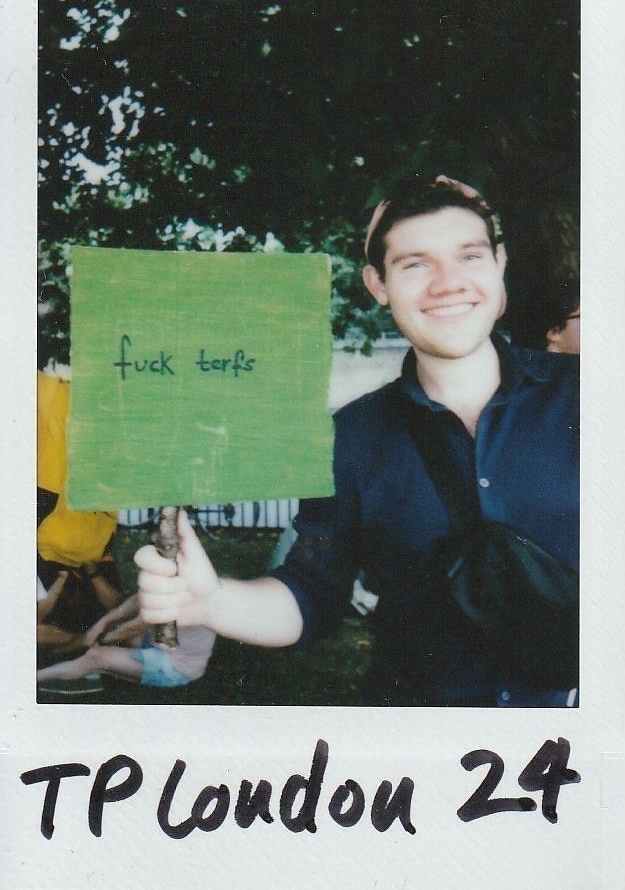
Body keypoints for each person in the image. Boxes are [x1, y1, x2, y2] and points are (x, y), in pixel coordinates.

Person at [135, 175, 579, 708]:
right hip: (422, 745)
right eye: (415, 264)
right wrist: (211, 603)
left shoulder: (588, 397)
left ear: (499, 264)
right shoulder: (353, 437)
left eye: (469, 256)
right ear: (377, 285)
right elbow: (311, 594)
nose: (448, 283)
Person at [37, 592, 216, 690]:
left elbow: (133, 627)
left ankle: (34, 679)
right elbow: (131, 604)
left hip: (177, 666)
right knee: (111, 630)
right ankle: (84, 668)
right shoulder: (165, 580)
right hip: (158, 642)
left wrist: (98, 639)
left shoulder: (183, 595)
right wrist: (102, 624)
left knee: (96, 656)